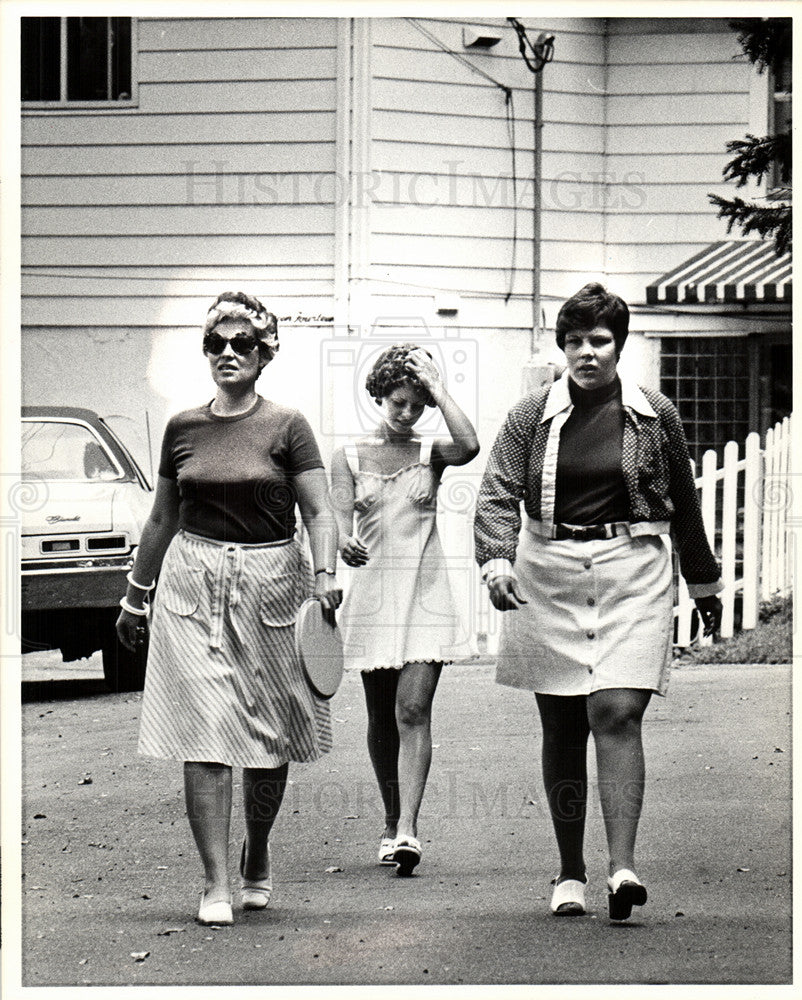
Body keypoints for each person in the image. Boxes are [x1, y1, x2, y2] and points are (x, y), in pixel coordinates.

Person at [474, 283, 723, 921]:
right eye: (576, 341)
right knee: (561, 724)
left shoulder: (654, 412)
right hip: (549, 570)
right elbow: (500, 489)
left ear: (620, 344)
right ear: (562, 348)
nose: (588, 353)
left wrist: (701, 581)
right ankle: (569, 872)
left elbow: (684, 499)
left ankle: (621, 867)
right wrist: (496, 557)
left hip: (630, 568)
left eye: (600, 341)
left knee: (617, 713)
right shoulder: (530, 415)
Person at [116, 291, 341, 926]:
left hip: (273, 582)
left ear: (265, 353)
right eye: (217, 344)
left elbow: (320, 512)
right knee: (204, 732)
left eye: (243, 343)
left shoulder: (288, 425)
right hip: (191, 585)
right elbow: (163, 516)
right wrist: (136, 596)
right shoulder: (183, 427)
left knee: (269, 741)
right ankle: (216, 881)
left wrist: (325, 576)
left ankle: (257, 852)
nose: (229, 353)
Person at [330, 345, 479, 876]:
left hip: (426, 593)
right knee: (379, 718)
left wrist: (440, 390)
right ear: (378, 397)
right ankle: (391, 821)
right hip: (374, 597)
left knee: (412, 710)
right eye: (399, 402)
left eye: (417, 405)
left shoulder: (431, 452)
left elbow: (471, 444)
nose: (407, 414)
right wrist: (343, 543)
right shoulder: (347, 456)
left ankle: (410, 829)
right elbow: (335, 522)